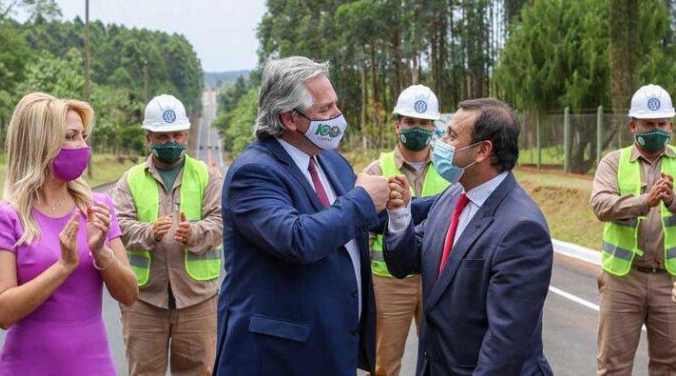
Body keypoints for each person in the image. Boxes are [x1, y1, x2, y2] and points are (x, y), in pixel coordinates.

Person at [213, 56, 392, 375]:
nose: (337, 116)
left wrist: (423, 205)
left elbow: (360, 217)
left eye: (336, 105)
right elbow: (298, 239)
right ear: (288, 118)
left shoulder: (331, 162)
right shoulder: (253, 173)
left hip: (331, 347)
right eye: (324, 110)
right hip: (277, 358)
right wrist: (364, 198)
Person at [383, 98, 554, 375]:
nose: (440, 142)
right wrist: (400, 214)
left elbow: (504, 345)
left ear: (482, 150)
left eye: (451, 135)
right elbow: (406, 261)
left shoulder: (521, 229)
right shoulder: (454, 195)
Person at [0, 92, 138, 376]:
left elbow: (129, 294)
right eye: (71, 136)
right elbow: (2, 313)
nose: (83, 146)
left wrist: (102, 253)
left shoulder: (99, 207)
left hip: (93, 365)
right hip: (27, 366)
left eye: (83, 136)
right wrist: (63, 267)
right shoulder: (4, 216)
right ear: (42, 144)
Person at [112, 94, 223, 376]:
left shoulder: (207, 176)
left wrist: (195, 232)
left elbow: (223, 221)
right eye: (162, 136)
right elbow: (119, 225)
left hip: (197, 299)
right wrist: (148, 232)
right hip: (144, 300)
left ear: (186, 134)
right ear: (148, 137)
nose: (170, 142)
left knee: (199, 372)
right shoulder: (131, 180)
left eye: (176, 134)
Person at [361, 84, 449, 376]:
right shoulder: (376, 171)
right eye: (410, 121)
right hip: (388, 282)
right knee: (385, 363)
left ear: (434, 127)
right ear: (397, 124)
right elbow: (361, 229)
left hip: (436, 278)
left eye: (424, 123)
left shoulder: (451, 172)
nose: (417, 128)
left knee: (440, 357)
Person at [591, 84, 676, 375]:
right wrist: (645, 201)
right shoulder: (612, 163)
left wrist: (672, 200)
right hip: (623, 281)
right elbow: (601, 205)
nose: (656, 129)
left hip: (670, 283)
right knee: (613, 365)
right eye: (649, 123)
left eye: (662, 123)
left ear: (671, 125)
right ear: (632, 125)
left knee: (669, 366)